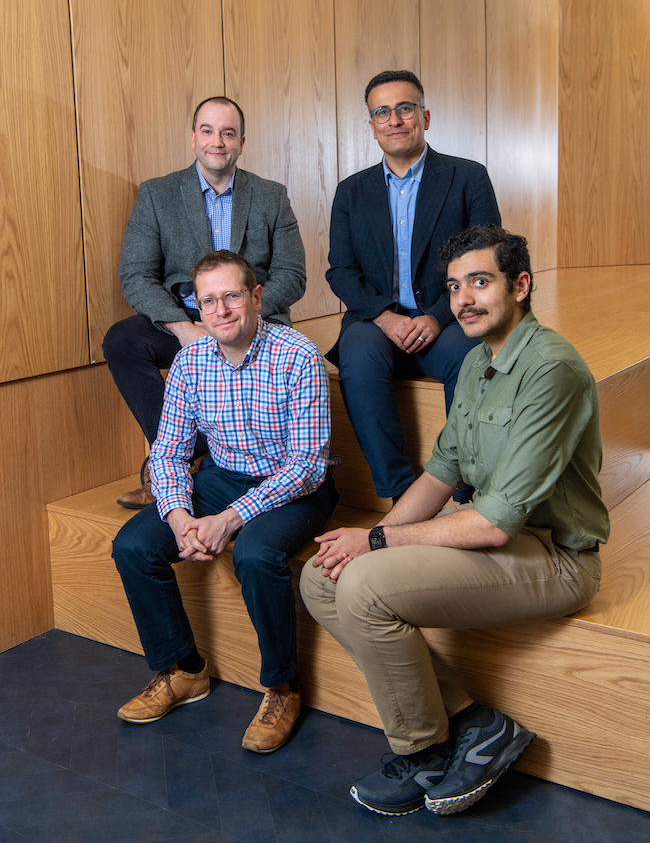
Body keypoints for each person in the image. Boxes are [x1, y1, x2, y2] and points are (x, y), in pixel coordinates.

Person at [301, 224, 608, 816]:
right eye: (454, 286)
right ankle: (474, 722)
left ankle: (423, 750)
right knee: (324, 575)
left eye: (480, 281)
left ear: (520, 286)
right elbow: (440, 475)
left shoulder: (552, 370)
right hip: (496, 542)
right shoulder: (474, 365)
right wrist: (370, 542)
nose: (464, 298)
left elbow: (494, 523)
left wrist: (377, 539)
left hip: (555, 558)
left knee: (364, 582)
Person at [112, 251, 338, 754]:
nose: (221, 310)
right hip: (220, 478)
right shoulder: (191, 362)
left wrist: (230, 520)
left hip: (295, 485)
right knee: (133, 545)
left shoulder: (297, 355)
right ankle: (183, 671)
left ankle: (282, 689)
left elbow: (306, 465)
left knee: (256, 555)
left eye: (232, 296)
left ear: (255, 298)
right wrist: (178, 517)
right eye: (208, 301)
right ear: (197, 308)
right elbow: (168, 452)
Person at [103, 96, 306, 509]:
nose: (218, 141)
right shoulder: (157, 195)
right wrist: (183, 328)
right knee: (122, 339)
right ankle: (183, 457)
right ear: (193, 138)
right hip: (183, 319)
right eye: (209, 131)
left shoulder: (271, 196)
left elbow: (292, 275)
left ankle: (226, 467)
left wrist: (237, 314)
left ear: (242, 142)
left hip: (251, 319)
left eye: (228, 133)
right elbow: (136, 274)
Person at [326, 70, 501, 501]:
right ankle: (401, 495)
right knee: (357, 355)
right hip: (378, 321)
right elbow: (341, 271)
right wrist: (384, 318)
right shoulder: (351, 192)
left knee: (470, 356)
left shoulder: (467, 178)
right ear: (371, 125)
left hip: (447, 316)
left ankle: (466, 494)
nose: (395, 120)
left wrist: (440, 316)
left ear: (425, 115)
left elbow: (486, 260)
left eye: (405, 108)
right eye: (382, 112)